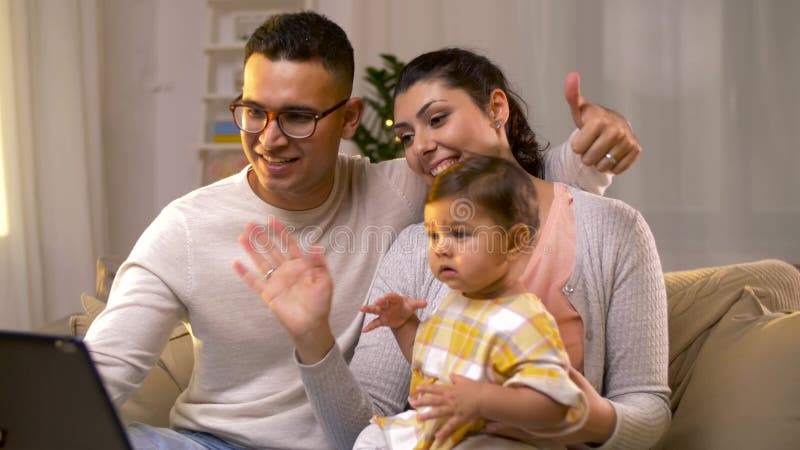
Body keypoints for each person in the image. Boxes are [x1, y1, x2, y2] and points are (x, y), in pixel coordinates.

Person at [86, 11, 642, 450]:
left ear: (349, 119)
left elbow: (502, 183)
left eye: (298, 117)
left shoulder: (404, 190)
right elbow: (98, 375)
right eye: (254, 112)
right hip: (208, 443)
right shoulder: (185, 227)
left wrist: (595, 150)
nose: (269, 139)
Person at [242, 48, 669, 450]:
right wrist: (312, 338)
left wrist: (582, 415)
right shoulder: (415, 251)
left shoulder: (613, 229)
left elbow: (648, 412)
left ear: (496, 109)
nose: (422, 146)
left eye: (438, 119)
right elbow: (365, 430)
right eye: (406, 136)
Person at [352, 156, 588, 449]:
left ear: (514, 243)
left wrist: (481, 400)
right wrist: (404, 324)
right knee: (373, 437)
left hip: (488, 436)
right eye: (433, 234)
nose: (441, 248)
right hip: (436, 432)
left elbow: (555, 406)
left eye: (459, 234)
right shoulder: (456, 303)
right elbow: (430, 359)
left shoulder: (524, 319)